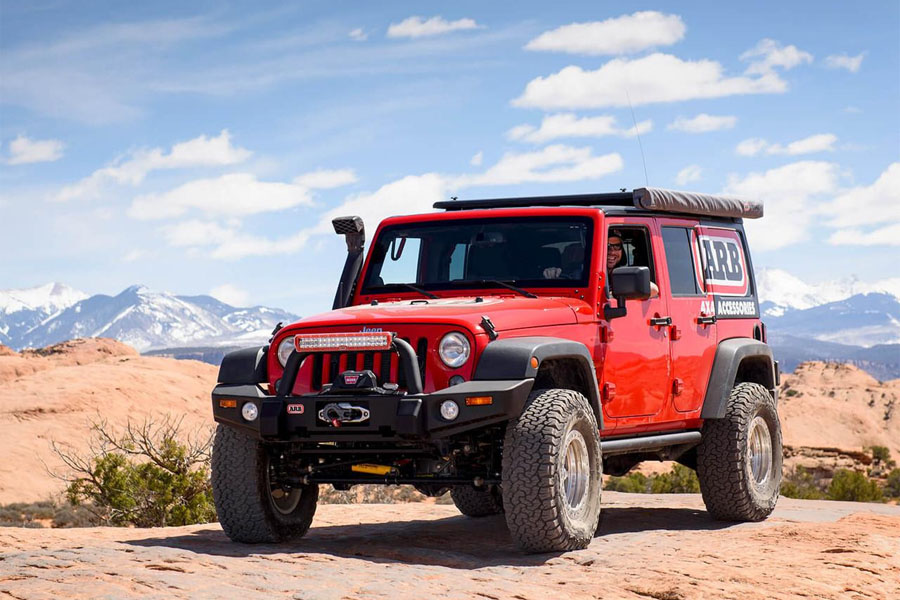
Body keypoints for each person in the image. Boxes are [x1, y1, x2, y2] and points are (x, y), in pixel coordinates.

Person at [607, 229, 659, 298]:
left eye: (617, 246)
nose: (612, 252)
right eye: (608, 246)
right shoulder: (590, 275)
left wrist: (613, 295)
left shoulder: (623, 275)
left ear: (622, 250)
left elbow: (654, 289)